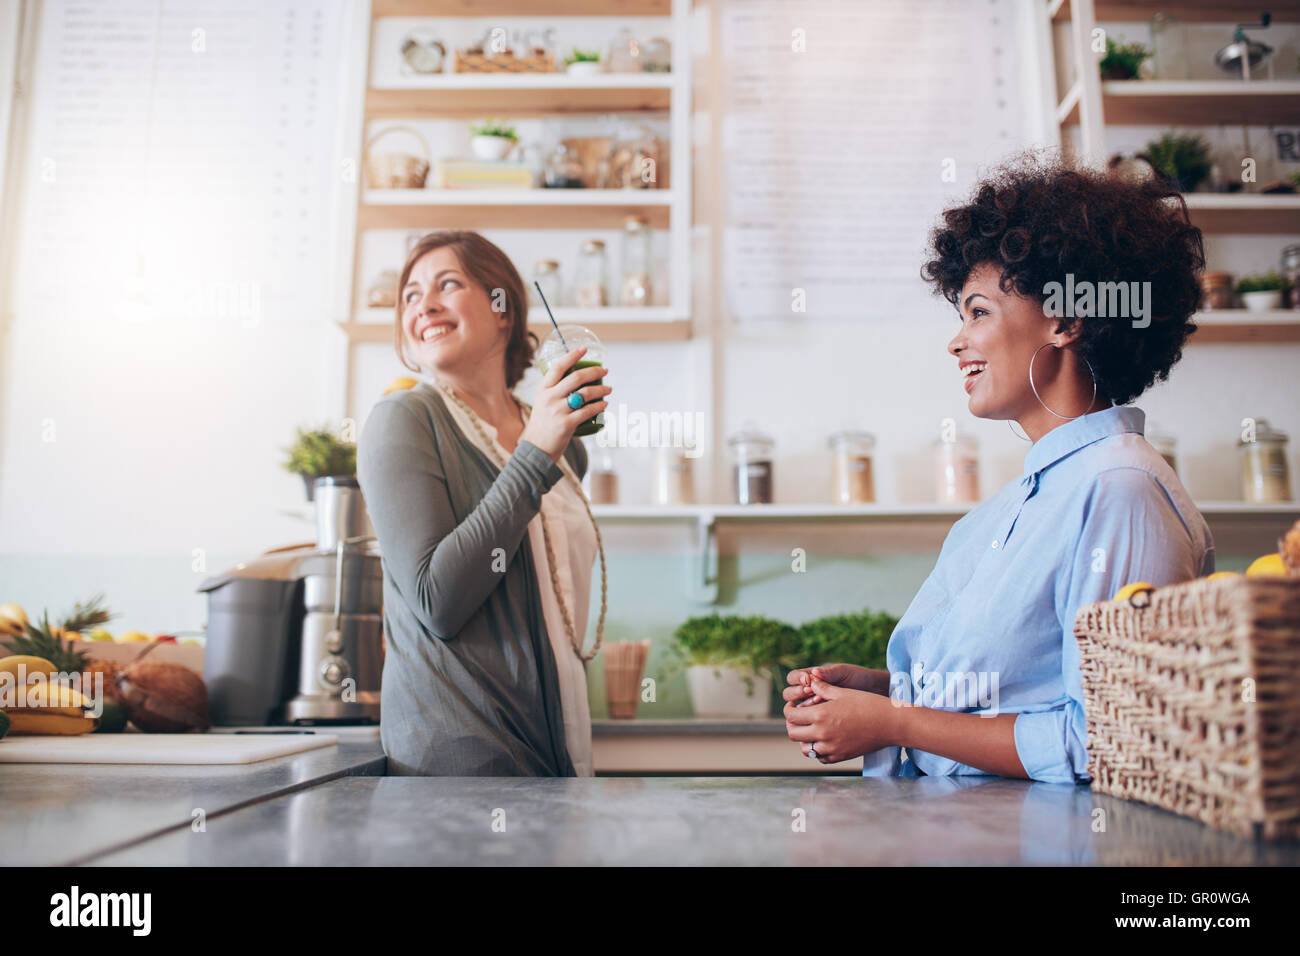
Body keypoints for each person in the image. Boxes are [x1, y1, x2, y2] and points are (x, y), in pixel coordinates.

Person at [784, 156, 1214, 784]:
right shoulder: (1009, 508)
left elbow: (1106, 739)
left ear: (1066, 320)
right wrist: (884, 694)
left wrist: (895, 724)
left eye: (978, 312)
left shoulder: (1121, 492)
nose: (956, 342)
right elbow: (1011, 692)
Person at [357, 230, 611, 776]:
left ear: (503, 309)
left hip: (560, 758)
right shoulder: (402, 419)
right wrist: (536, 451)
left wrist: (545, 443)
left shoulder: (566, 444)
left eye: (447, 284)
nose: (423, 305)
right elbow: (438, 600)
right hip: (463, 772)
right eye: (410, 295)